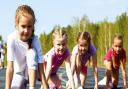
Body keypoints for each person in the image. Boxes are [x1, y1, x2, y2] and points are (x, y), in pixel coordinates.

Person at [5, 5, 48, 89]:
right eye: (23, 26)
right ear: (17, 25)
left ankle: (31, 87)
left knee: (31, 52)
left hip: (32, 74)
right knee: (16, 86)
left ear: (33, 26)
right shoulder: (11, 38)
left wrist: (46, 87)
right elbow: (10, 68)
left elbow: (41, 68)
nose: (26, 31)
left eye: (29, 27)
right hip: (18, 73)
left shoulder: (35, 40)